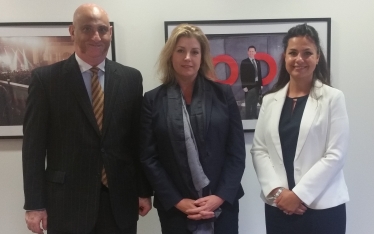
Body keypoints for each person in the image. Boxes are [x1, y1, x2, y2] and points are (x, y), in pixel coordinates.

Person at [22, 4, 152, 234]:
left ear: (110, 32)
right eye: (87, 29)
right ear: (72, 31)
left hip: (119, 203)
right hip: (66, 204)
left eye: (102, 29)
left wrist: (143, 190)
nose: (96, 36)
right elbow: (33, 148)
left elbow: (136, 141)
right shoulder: (46, 80)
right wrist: (34, 204)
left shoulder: (131, 79)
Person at [139, 24, 246, 234]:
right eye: (180, 50)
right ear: (171, 55)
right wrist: (179, 201)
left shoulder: (223, 94)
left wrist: (219, 197)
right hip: (176, 209)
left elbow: (236, 153)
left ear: (202, 56)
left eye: (194, 51)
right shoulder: (153, 100)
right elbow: (148, 158)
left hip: (221, 205)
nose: (187, 57)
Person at [251, 23, 349, 234]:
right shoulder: (269, 101)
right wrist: (278, 193)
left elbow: (336, 154)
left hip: (323, 208)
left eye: (307, 53)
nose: (299, 59)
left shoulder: (333, 98)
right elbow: (259, 150)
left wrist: (298, 195)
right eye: (293, 53)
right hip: (279, 208)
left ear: (317, 57)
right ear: (285, 57)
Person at [240, 45, 262, 119]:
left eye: (253, 51)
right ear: (247, 52)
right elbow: (242, 74)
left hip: (256, 85)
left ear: (255, 52)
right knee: (248, 103)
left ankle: (254, 116)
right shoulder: (244, 62)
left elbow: (259, 74)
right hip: (248, 86)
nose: (251, 53)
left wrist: (261, 84)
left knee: (255, 103)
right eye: (250, 51)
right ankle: (248, 117)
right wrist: (244, 86)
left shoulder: (258, 62)